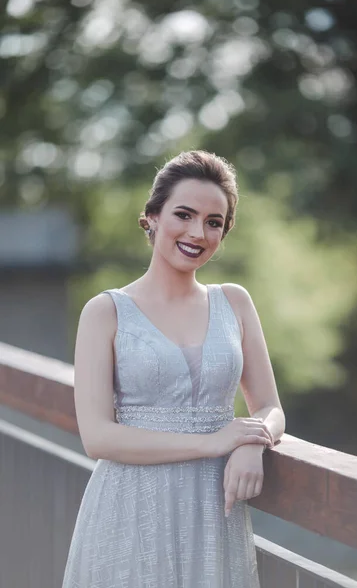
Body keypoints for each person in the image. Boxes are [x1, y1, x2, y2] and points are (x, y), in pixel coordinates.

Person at [62, 150, 285, 588]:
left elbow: (271, 407)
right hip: (129, 509)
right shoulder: (105, 312)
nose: (197, 232)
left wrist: (251, 443)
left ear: (225, 231)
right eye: (183, 215)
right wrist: (215, 442)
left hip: (214, 511)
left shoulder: (234, 302)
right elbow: (97, 437)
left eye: (214, 222)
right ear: (152, 217)